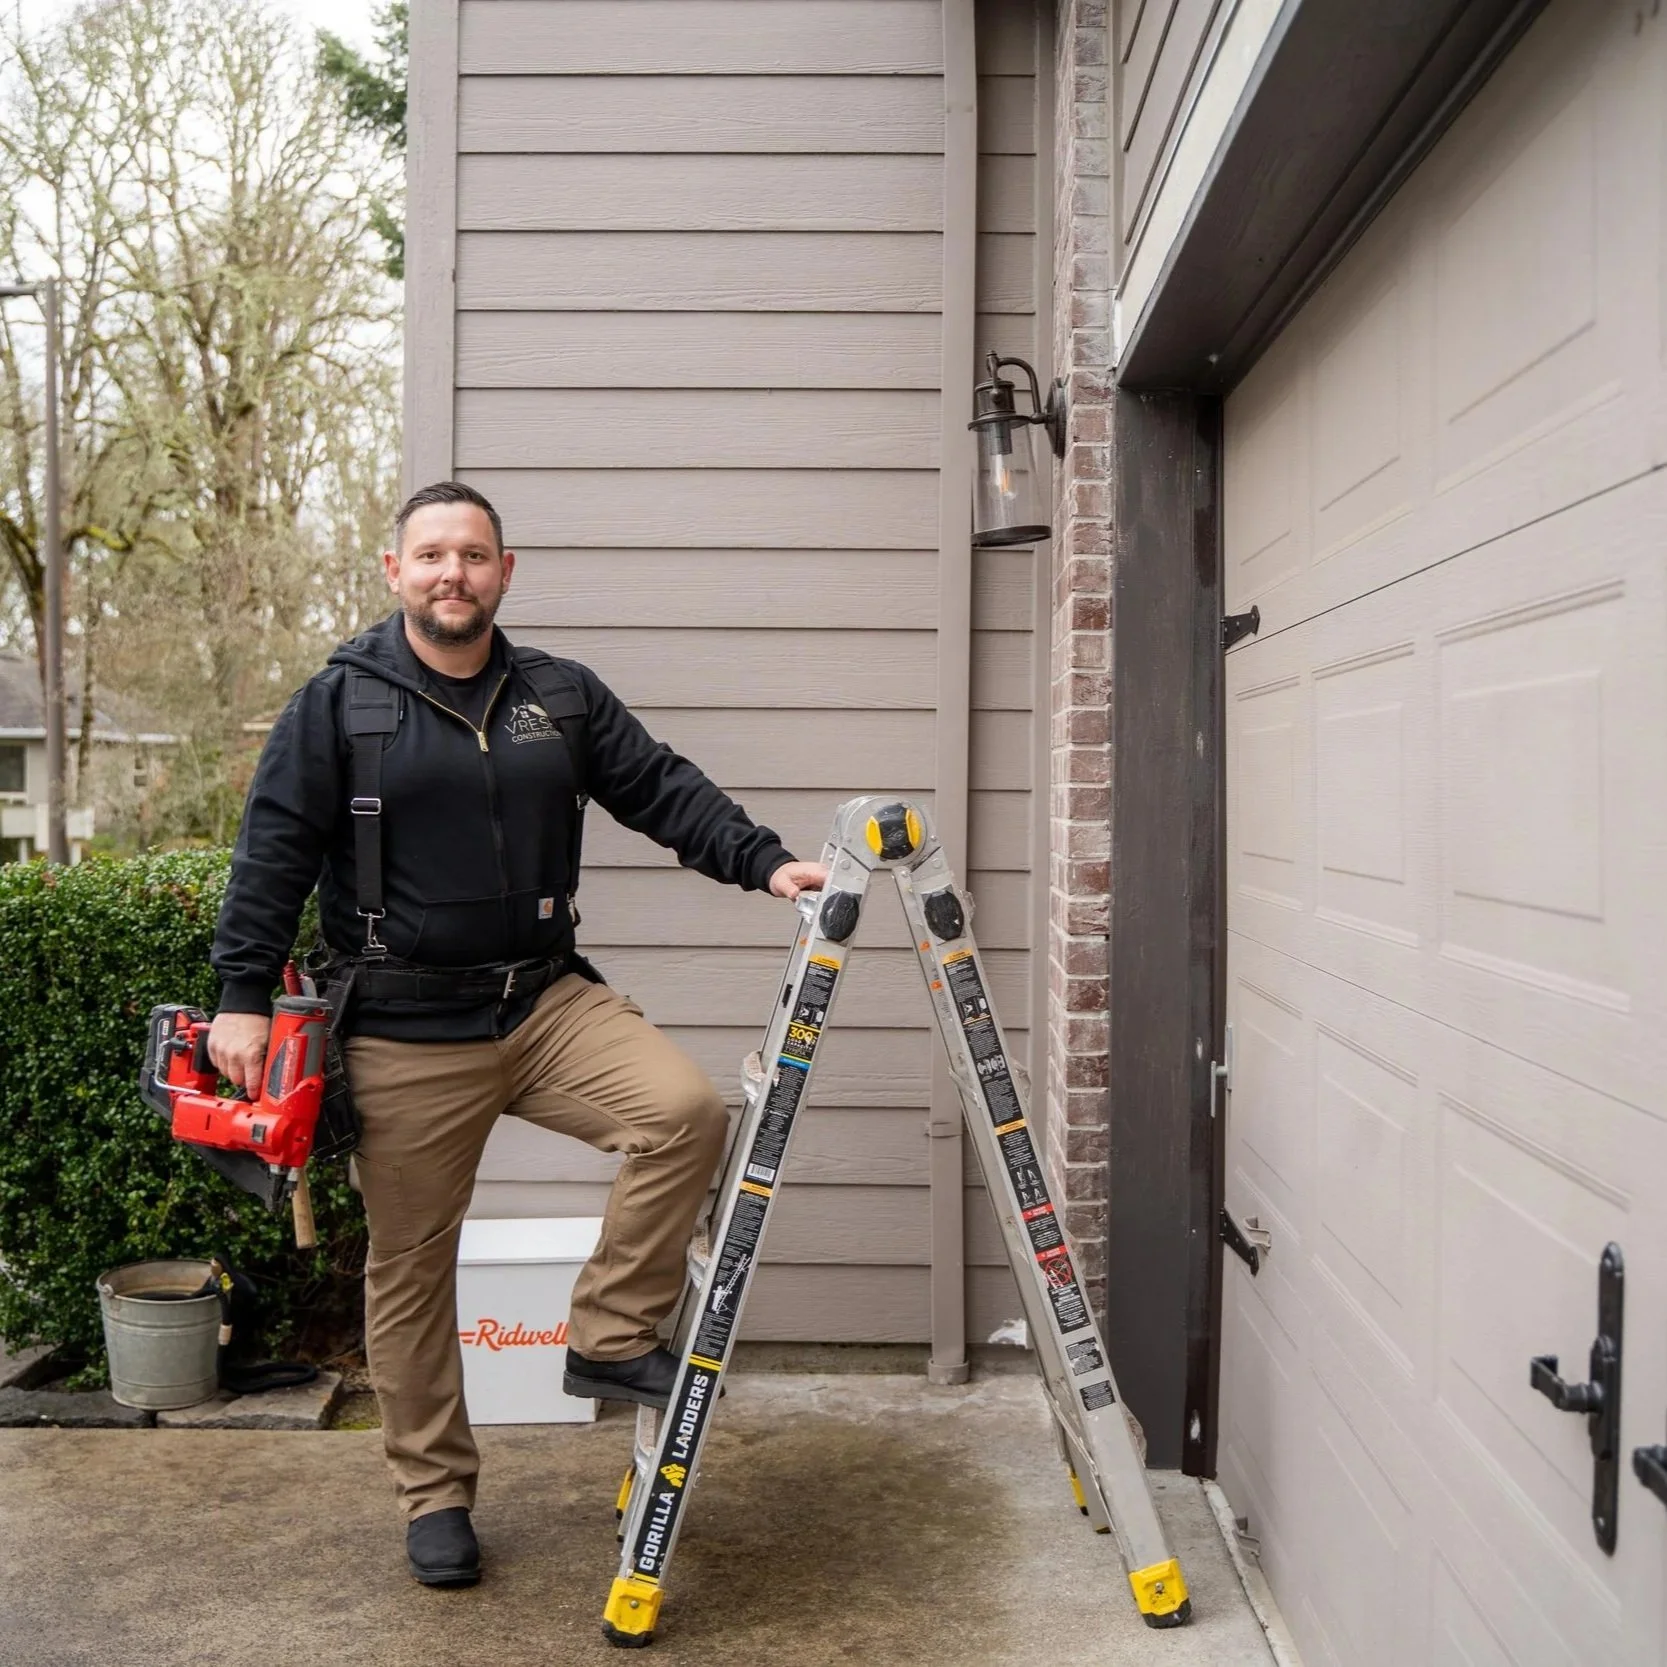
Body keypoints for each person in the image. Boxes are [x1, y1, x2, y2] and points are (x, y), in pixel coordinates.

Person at [207, 480, 827, 1587]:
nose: (455, 572)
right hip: (401, 1028)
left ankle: (608, 1331)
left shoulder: (560, 696)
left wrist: (761, 859)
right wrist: (242, 994)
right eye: (432, 554)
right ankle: (435, 1493)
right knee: (409, 1267)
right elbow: (270, 853)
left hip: (543, 1001)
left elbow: (659, 787)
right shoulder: (339, 703)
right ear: (393, 572)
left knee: (682, 1112)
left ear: (505, 571)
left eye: (475, 554)